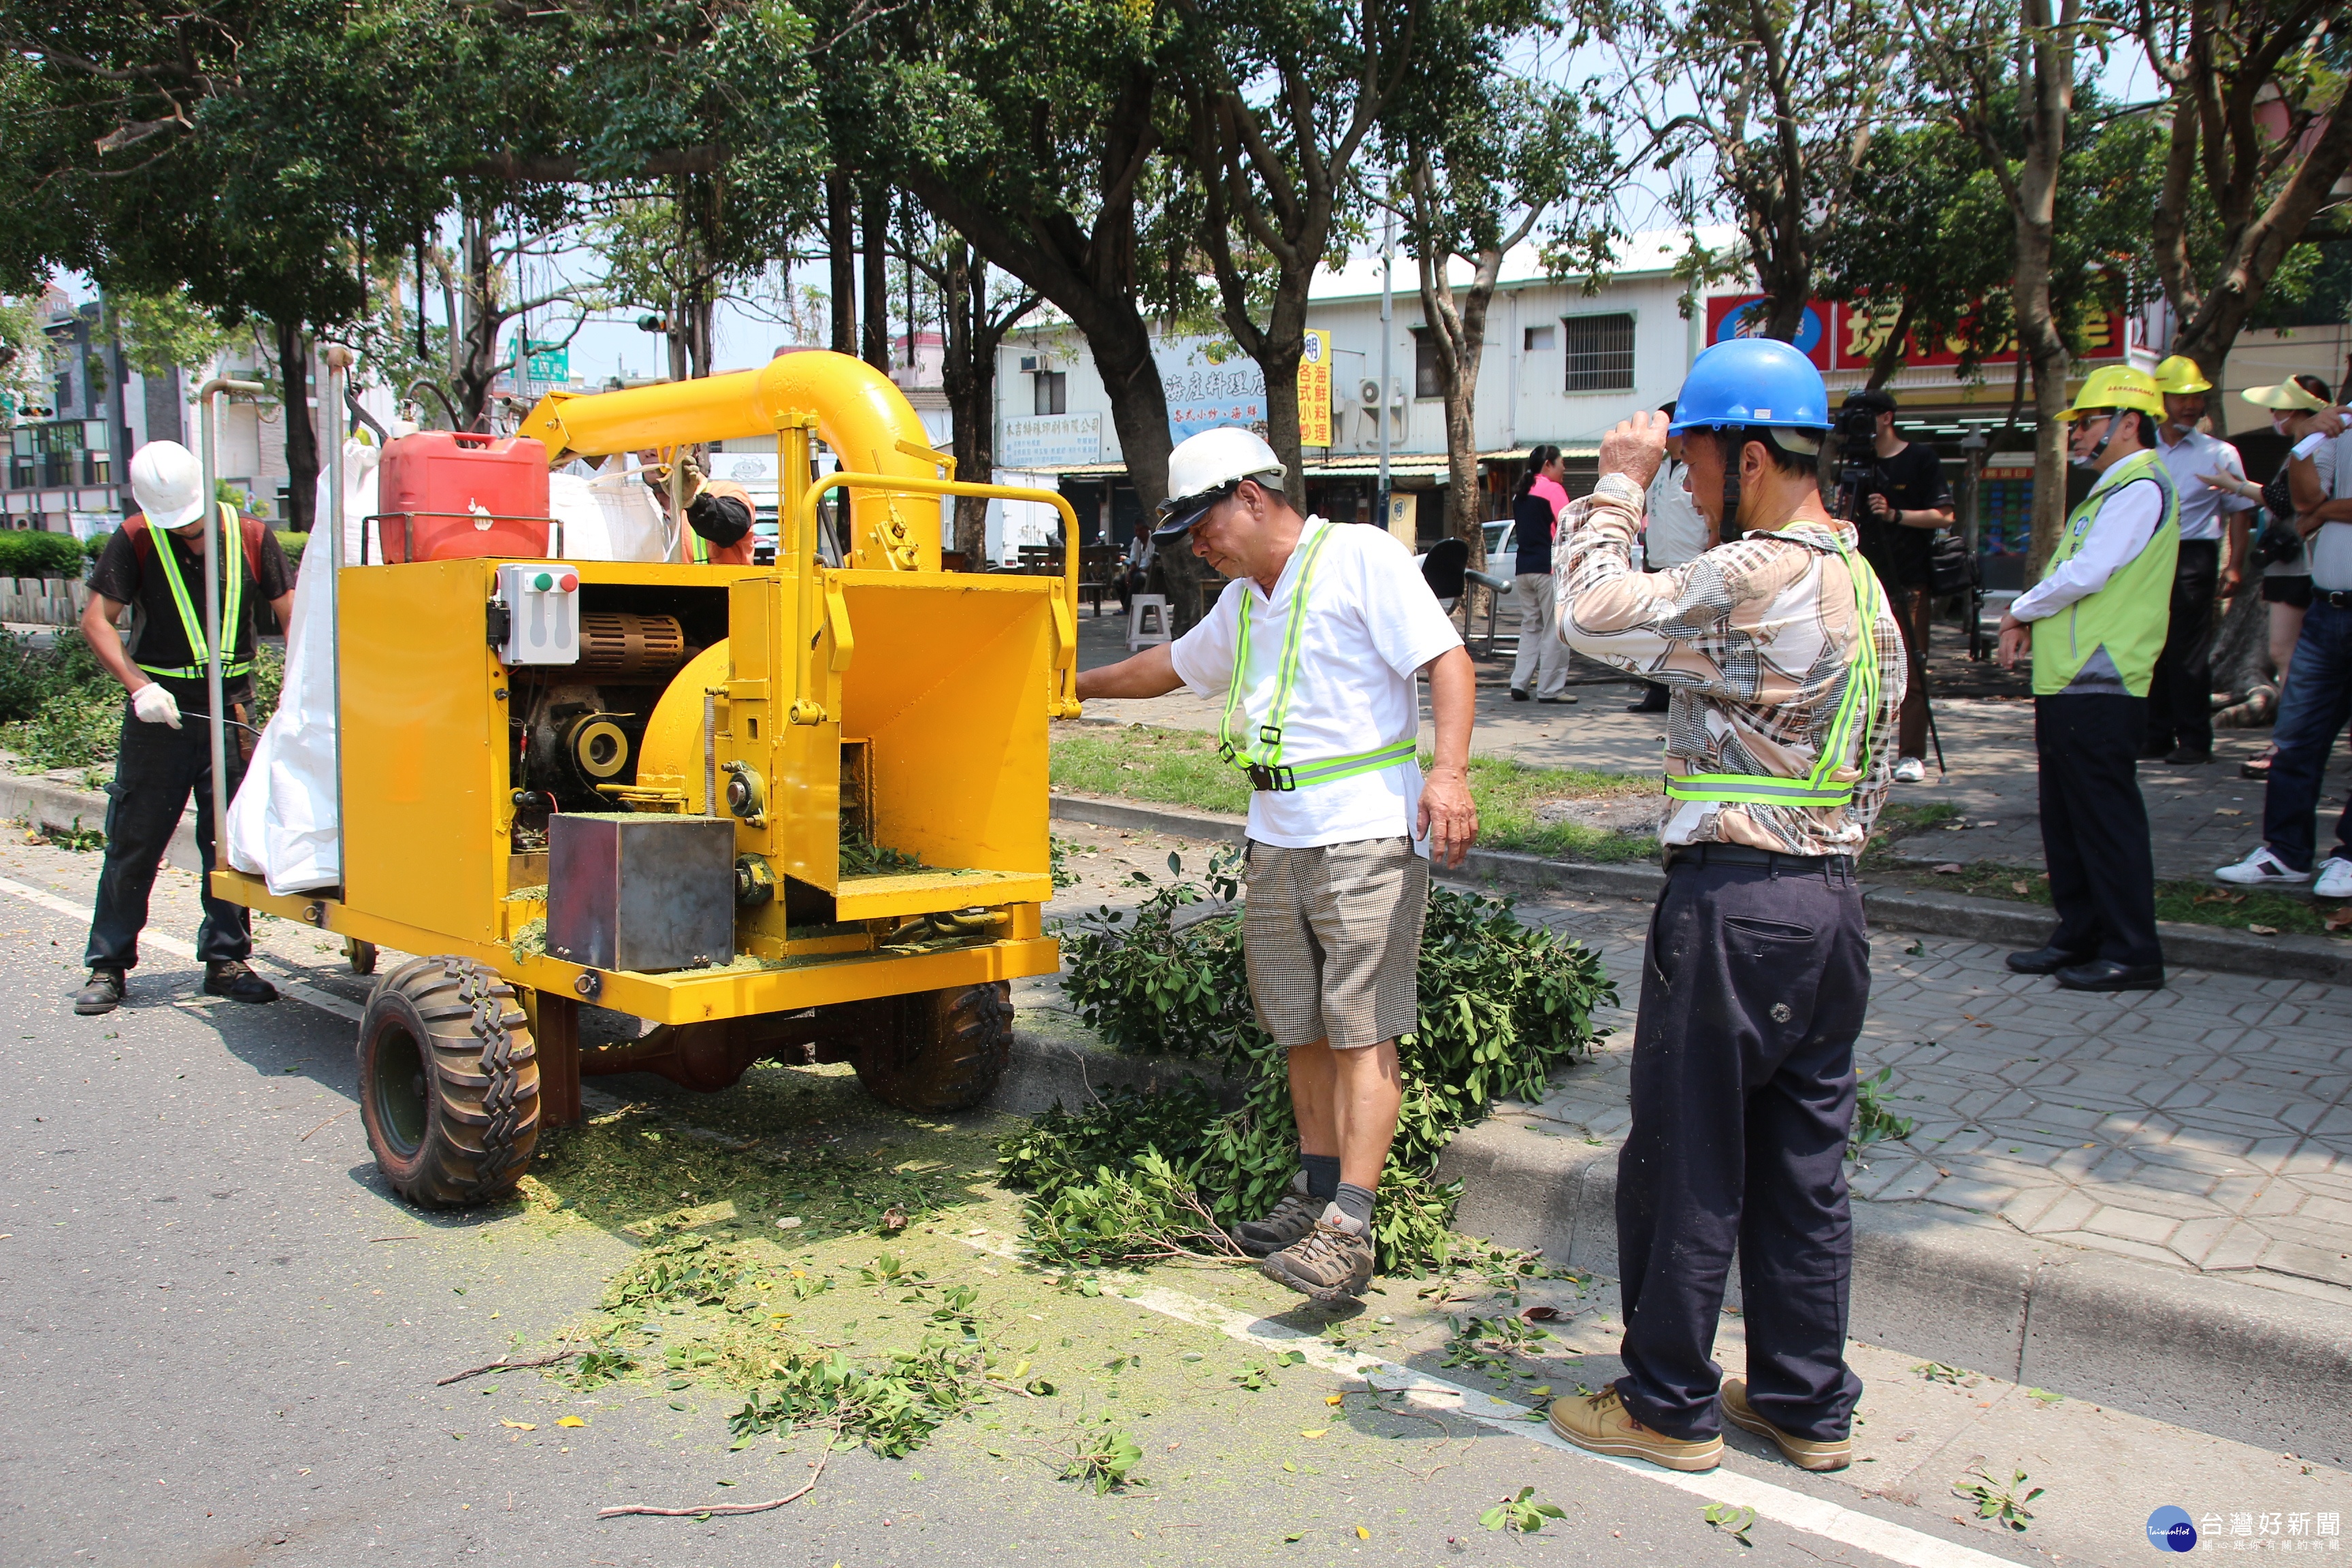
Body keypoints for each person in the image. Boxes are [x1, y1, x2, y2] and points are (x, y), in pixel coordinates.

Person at [1548, 338, 1904, 1476]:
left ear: (1751, 454)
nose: (1686, 483)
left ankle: (1665, 1399)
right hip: (1830, 909)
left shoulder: (1759, 574)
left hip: (1735, 907)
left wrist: (1615, 480)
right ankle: (1804, 1398)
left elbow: (1593, 617)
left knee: (1688, 1152)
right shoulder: (1862, 579)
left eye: (1694, 460)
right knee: (1804, 1164)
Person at [1073, 426, 1478, 1303]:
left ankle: (1351, 1230)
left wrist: (1449, 773)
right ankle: (1316, 1194)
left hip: (1364, 833)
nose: (1199, 548)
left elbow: (1447, 658)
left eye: (1203, 527)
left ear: (1250, 498)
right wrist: (1070, 686)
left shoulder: (1360, 557)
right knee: (1301, 1026)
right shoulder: (1247, 601)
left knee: (1362, 1026)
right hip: (1277, 835)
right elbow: (1169, 669)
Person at [73, 440, 296, 1017]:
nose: (188, 532)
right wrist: (138, 686)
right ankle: (109, 964)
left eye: (193, 521)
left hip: (233, 710)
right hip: (161, 714)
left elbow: (294, 617)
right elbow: (97, 622)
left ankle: (226, 960)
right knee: (135, 839)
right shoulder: (136, 538)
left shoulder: (250, 535)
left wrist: (291, 698)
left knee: (229, 843)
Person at [1995, 365, 2179, 992]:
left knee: (2104, 821)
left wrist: (2018, 609)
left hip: (2101, 679)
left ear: (2127, 423)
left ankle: (2132, 950)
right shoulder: (2112, 489)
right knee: (2068, 820)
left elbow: (2089, 573)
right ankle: (2080, 934)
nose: (2076, 434)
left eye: (2087, 422)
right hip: (2073, 679)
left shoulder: (2140, 488)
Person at [2215, 392, 2352, 899]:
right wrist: (2305, 442)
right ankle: (2285, 853)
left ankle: (2349, 857)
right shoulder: (2339, 428)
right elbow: (2302, 502)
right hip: (2326, 609)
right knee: (2296, 738)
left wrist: (2325, 512)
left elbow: (2319, 509)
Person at [2210, 376, 2332, 779]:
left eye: (2281, 410)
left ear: (2302, 412)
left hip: (2305, 567)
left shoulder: (2320, 450)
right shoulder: (2303, 452)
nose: (2275, 417)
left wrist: (2236, 486)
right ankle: (2291, 741)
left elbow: (2290, 501)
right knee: (2286, 657)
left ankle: (2291, 743)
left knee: (2294, 659)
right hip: (2291, 567)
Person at [2143, 355, 2255, 765]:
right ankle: (2155, 734)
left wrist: (2236, 563)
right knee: (2149, 647)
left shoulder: (2220, 453)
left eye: (2197, 397)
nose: (2190, 406)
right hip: (2146, 556)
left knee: (2187, 651)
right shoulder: (2143, 451)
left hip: (2193, 554)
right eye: (2180, 398)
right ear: (2161, 399)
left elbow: (2240, 510)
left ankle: (2194, 739)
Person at [1842, 389, 1955, 782]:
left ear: (1887, 417)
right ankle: (1860, 750)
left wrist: (1895, 514)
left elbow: (1944, 516)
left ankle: (1911, 753)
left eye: (1865, 415)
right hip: (1860, 580)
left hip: (1909, 579)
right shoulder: (1855, 465)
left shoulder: (1920, 458)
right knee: (1857, 667)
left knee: (1911, 664)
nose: (1858, 423)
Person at [1629, 401, 1708, 713]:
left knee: (1691, 635)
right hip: (1660, 562)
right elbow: (1652, 517)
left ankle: (1691, 696)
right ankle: (1658, 694)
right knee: (1658, 632)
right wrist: (1648, 559)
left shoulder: (1696, 469)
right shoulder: (1658, 471)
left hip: (1692, 561)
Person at [1507, 444, 1574, 704]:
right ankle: (1550, 689)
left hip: (1524, 569)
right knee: (1554, 629)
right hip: (1548, 567)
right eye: (1561, 463)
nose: (1564, 468)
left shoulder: (1519, 493)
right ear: (1548, 465)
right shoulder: (1553, 490)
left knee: (1530, 628)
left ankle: (1519, 682)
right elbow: (1568, 527)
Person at [637, 447, 755, 564]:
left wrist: (693, 503)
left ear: (691, 450)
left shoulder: (726, 491)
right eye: (642, 444)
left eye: (662, 444)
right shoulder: (638, 507)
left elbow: (731, 525)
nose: (648, 452)